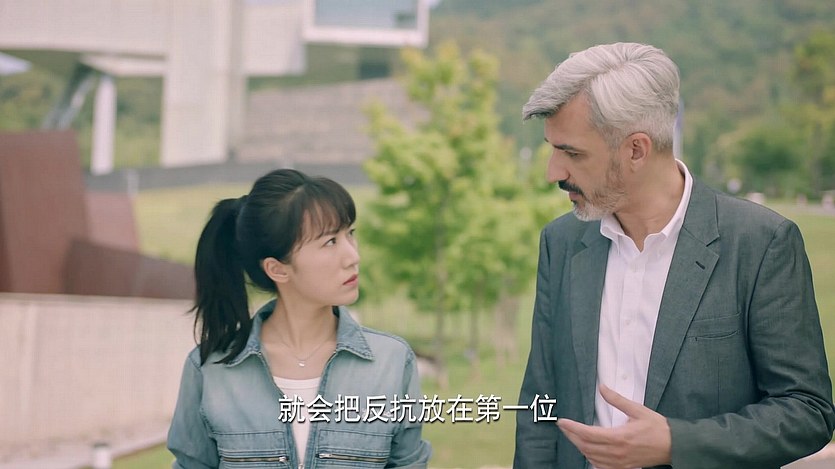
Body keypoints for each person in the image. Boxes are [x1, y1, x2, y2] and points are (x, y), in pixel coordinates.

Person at [513, 42, 835, 469]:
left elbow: (807, 412)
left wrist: (676, 442)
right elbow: (541, 406)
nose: (553, 172)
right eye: (553, 149)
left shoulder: (761, 244)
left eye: (572, 153)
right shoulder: (562, 242)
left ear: (636, 149)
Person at [167, 168, 431, 468]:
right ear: (278, 269)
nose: (353, 256)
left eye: (350, 234)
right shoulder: (210, 370)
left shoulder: (392, 363)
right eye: (330, 242)